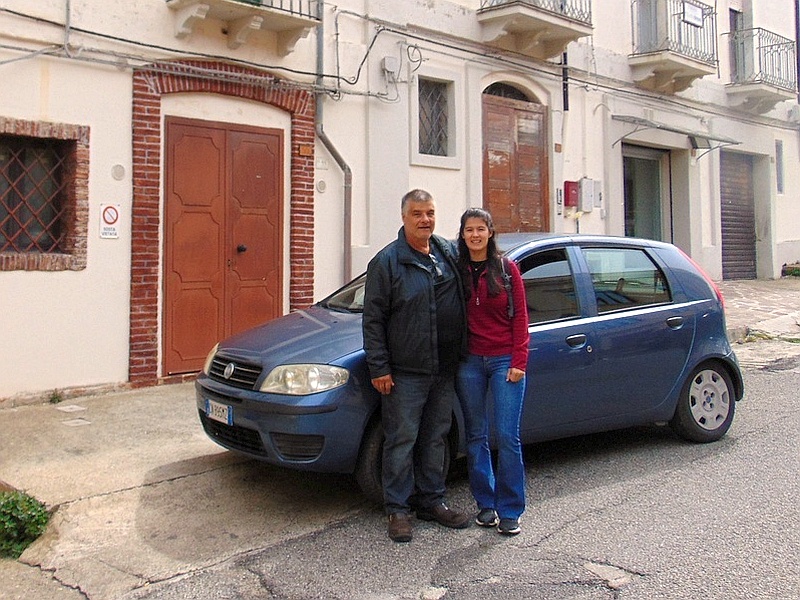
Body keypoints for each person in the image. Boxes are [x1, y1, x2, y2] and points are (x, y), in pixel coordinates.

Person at [362, 189, 471, 543]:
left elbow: (480, 271)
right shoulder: (387, 262)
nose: (425, 219)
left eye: (430, 212)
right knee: (401, 439)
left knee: (435, 437)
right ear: (404, 217)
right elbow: (373, 319)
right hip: (405, 372)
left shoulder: (446, 252)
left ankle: (432, 501)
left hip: (442, 369)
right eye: (417, 213)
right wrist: (379, 367)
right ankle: (397, 509)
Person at [454, 207, 529, 536]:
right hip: (470, 361)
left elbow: (522, 320)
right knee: (475, 436)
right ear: (463, 234)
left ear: (489, 232)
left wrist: (518, 361)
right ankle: (486, 503)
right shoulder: (457, 270)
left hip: (503, 362)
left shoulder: (507, 269)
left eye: (480, 229)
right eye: (469, 229)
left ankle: (510, 508)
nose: (474, 235)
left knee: (508, 437)